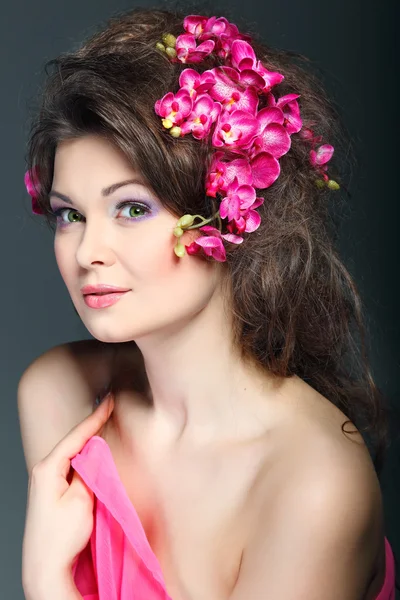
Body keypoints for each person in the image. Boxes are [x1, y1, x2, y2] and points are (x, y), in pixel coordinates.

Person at [18, 6, 397, 600]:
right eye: (71, 215)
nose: (88, 250)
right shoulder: (60, 393)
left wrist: (46, 585)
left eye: (133, 208)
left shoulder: (312, 484)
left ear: (231, 211)